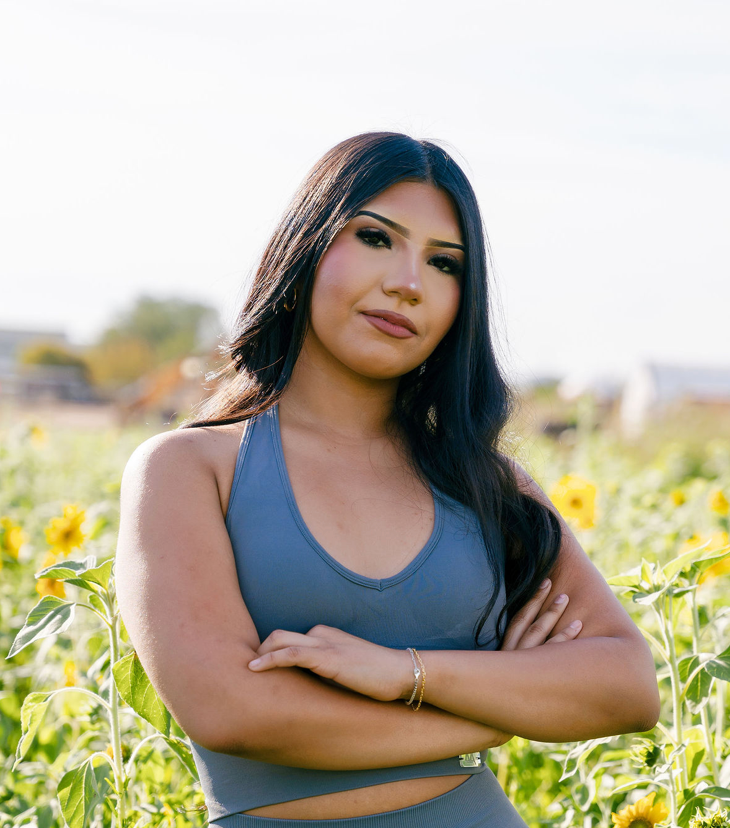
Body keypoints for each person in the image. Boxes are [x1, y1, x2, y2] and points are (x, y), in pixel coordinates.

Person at [115, 132, 660, 827]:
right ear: (305, 249)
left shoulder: (488, 486)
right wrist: (498, 715)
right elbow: (231, 712)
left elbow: (627, 688)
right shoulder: (188, 469)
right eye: (376, 238)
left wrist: (405, 672)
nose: (409, 283)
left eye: (444, 262)